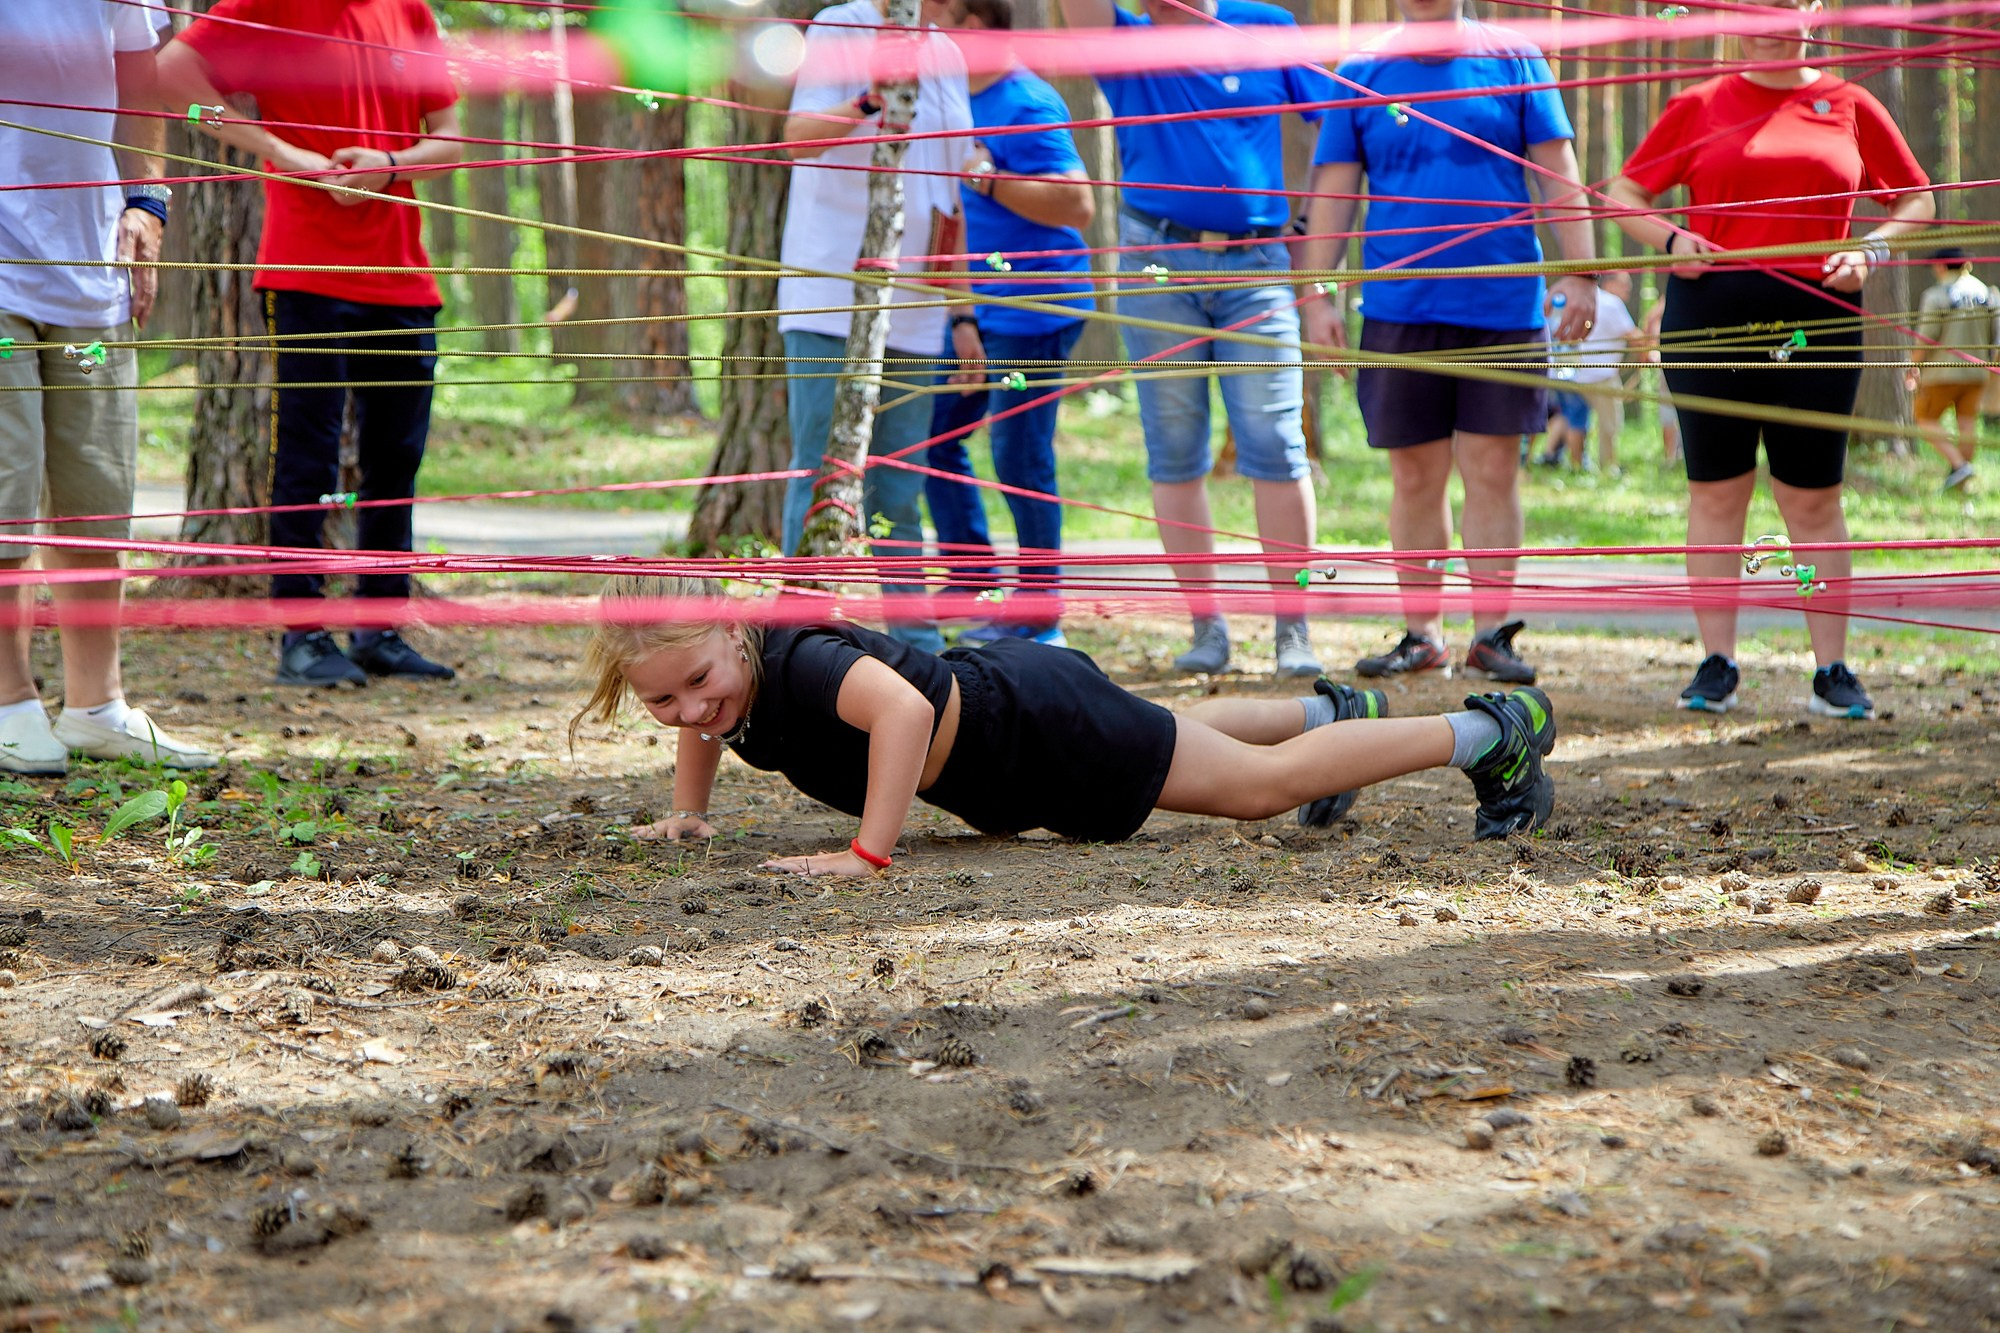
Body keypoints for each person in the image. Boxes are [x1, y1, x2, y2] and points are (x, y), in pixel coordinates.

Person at [571, 576, 1559, 875]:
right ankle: (1328, 713)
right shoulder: (730, 678)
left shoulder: (798, 662)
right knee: (1173, 732)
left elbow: (903, 710)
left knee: (1258, 788)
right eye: (662, 700)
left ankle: (1490, 731)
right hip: (1024, 722)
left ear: (731, 629)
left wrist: (868, 853)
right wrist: (688, 811)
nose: (691, 708)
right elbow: (708, 727)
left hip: (1037, 731)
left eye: (696, 680)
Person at [1605, 0, 1933, 719]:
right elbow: (1623, 193)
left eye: (1784, 6)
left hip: (1819, 322)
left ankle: (1831, 668)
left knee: (1812, 499)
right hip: (1710, 319)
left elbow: (1918, 199)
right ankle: (1717, 661)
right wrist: (1669, 240)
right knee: (1717, 494)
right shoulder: (1699, 105)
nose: (1768, 23)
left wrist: (1872, 250)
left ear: (1813, 12)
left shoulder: (1850, 103)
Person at [159, 0, 463, 688]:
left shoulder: (409, 11)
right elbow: (174, 76)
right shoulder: (269, 6)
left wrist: (390, 163)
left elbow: (451, 141)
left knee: (396, 460)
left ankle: (380, 629)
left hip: (402, 278)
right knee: (307, 456)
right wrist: (283, 152)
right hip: (305, 273)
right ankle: (301, 635)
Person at [1300, 0, 1599, 687]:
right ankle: (1423, 635)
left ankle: (1490, 635)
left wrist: (1583, 273)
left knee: (1493, 469)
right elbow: (1334, 195)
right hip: (1399, 307)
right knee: (1414, 474)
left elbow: (1559, 178)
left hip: (1502, 307)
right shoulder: (1361, 71)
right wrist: (1316, 296)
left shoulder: (1516, 59)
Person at [1057, 0, 1335, 679]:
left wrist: (1313, 236)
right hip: (1156, 261)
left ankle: (1293, 629)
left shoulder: (1265, 25)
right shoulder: (1127, 38)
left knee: (1276, 441)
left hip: (1258, 264)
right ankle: (1206, 626)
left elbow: (1336, 127)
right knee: (1174, 444)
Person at [0, 2, 216, 774]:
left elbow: (140, 85)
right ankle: (10, 703)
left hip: (88, 271)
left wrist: (147, 203)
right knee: (7, 488)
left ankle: (96, 707)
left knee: (96, 493)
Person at [775, 0, 976, 655]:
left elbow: (950, 197)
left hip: (917, 310)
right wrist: (870, 100)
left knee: (899, 482)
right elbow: (797, 136)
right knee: (821, 469)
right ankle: (799, 638)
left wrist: (962, 313)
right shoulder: (840, 25)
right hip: (829, 296)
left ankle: (918, 648)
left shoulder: (946, 51)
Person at [922, 0, 1094, 648]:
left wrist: (991, 181)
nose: (930, 31)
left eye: (941, 18)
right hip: (977, 305)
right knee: (934, 434)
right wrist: (960, 313)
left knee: (1019, 455)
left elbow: (1078, 204)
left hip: (1036, 305)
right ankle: (971, 576)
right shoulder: (951, 100)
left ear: (974, 26)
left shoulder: (1028, 101)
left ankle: (1038, 611)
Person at [1907, 247, 1993, 490]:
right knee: (1967, 424)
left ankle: (1959, 466)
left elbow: (1926, 337)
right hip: (1977, 372)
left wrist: (1913, 365)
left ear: (1942, 266)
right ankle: (1961, 482)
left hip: (1942, 372)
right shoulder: (1985, 293)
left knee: (1924, 418)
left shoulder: (1936, 295)